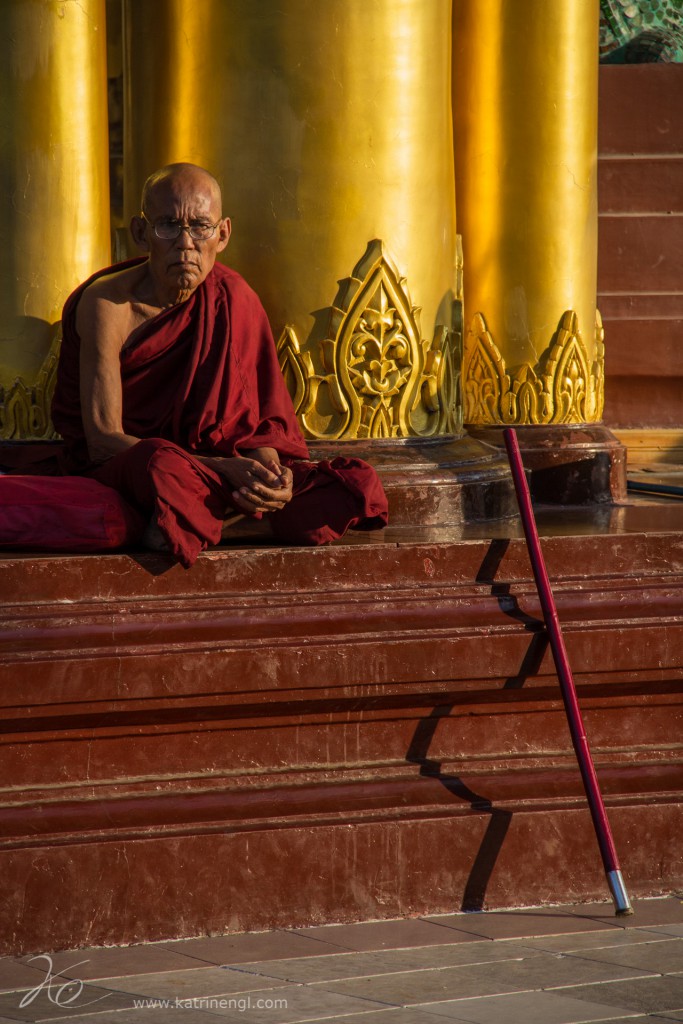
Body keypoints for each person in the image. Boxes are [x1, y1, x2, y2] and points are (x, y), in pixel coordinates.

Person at [51, 163, 388, 567]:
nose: (186, 243)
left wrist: (271, 476)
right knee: (161, 465)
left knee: (350, 483)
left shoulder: (234, 298)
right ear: (140, 233)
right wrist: (223, 469)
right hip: (143, 467)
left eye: (200, 227)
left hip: (215, 474)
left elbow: (255, 422)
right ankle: (214, 519)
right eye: (168, 227)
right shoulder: (108, 305)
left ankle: (203, 524)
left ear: (223, 234)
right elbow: (104, 440)